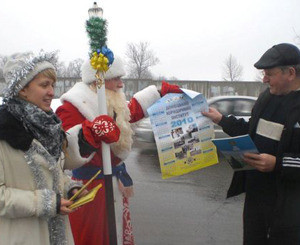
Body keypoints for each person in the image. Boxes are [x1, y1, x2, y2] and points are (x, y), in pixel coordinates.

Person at [56, 56, 181, 245]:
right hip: (88, 189)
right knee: (94, 238)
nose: (121, 84)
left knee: (115, 234)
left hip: (113, 184)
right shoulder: (71, 108)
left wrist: (159, 93)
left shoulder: (110, 102)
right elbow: (66, 150)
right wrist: (90, 133)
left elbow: (131, 111)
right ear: (98, 81)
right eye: (116, 79)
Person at [0, 52, 120, 245]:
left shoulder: (50, 128)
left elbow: (52, 173)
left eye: (52, 85)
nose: (51, 92)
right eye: (44, 85)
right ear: (22, 89)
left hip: (58, 236)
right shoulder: (4, 131)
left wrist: (69, 188)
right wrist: (47, 203)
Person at [203, 43, 300, 244]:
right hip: (256, 201)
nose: (264, 80)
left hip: (289, 209)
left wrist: (277, 163)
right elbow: (251, 130)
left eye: (269, 74)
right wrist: (221, 119)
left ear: (290, 73)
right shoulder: (266, 98)